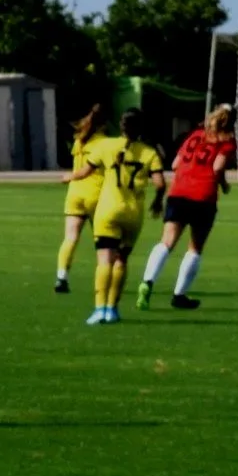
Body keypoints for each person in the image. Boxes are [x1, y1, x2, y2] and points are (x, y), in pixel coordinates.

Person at [140, 105, 236, 310]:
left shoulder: (195, 135)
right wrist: (224, 184)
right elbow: (217, 167)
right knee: (195, 248)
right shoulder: (227, 141)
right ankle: (179, 295)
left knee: (166, 242)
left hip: (179, 192)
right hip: (203, 196)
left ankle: (147, 282)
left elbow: (175, 164)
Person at [86, 108, 165, 325]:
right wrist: (158, 202)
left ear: (120, 126)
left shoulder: (106, 146)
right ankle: (112, 309)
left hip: (108, 210)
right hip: (133, 214)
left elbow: (86, 170)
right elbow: (160, 184)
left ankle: (99, 309)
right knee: (121, 260)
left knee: (104, 260)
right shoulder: (149, 153)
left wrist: (69, 177)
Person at [55, 104, 108, 292]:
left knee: (70, 237)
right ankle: (103, 278)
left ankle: (61, 277)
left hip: (75, 193)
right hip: (97, 194)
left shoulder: (79, 140)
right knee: (103, 240)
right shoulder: (104, 143)